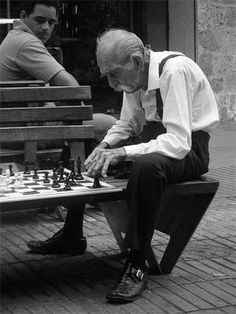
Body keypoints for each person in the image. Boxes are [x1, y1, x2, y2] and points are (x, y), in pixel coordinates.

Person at [83, 29, 219, 303]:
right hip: (159, 146)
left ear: (136, 60)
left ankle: (137, 262)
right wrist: (106, 147)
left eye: (114, 74)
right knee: (96, 159)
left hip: (190, 150)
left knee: (146, 166)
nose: (111, 84)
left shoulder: (174, 70)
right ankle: (72, 234)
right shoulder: (134, 79)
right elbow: (126, 124)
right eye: (107, 76)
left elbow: (179, 143)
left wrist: (125, 152)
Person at [0, 1, 116, 255]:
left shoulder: (12, 39)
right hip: (26, 133)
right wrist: (78, 112)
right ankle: (106, 210)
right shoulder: (25, 43)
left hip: (19, 127)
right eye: (40, 20)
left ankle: (73, 230)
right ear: (23, 16)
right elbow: (71, 87)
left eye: (51, 22)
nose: (45, 28)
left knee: (82, 138)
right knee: (110, 127)